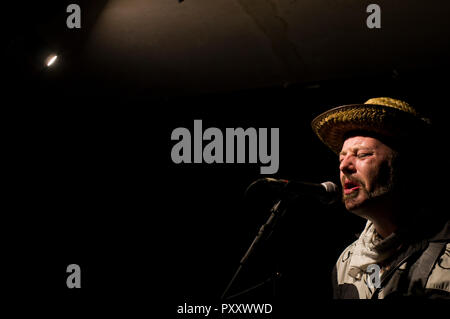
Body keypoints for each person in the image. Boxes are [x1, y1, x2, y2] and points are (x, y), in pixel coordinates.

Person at [311, 97, 449, 299]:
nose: (344, 166)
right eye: (342, 157)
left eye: (363, 155)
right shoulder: (347, 262)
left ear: (406, 165)